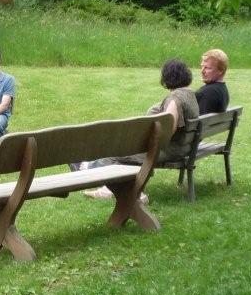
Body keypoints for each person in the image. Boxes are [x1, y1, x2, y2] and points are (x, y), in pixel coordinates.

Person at [77, 58, 200, 198]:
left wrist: (145, 140)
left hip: (168, 150)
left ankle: (85, 169)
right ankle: (111, 189)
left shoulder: (175, 99)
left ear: (167, 77)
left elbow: (167, 131)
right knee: (128, 154)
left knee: (116, 153)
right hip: (183, 148)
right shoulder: (190, 94)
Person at [195, 48, 229, 114]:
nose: (202, 71)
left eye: (207, 68)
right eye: (202, 67)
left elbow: (202, 119)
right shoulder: (222, 90)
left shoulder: (208, 93)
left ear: (220, 70)